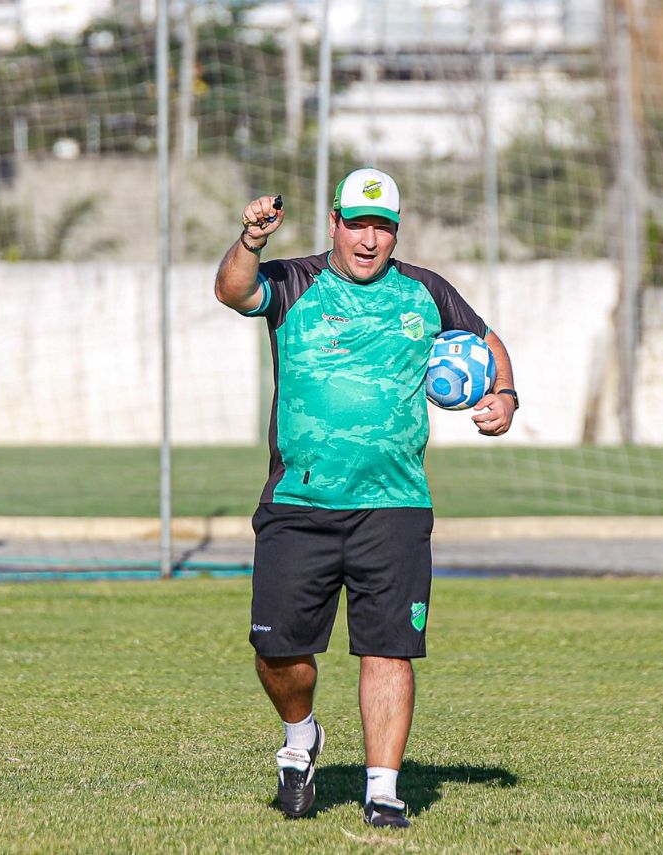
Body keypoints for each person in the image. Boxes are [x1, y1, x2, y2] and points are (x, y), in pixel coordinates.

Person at [214, 167, 518, 824]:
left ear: (395, 232)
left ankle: (383, 791)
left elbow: (487, 343)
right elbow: (232, 291)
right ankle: (301, 738)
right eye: (358, 223)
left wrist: (505, 395)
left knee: (389, 648)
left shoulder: (426, 292)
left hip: (395, 503)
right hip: (299, 502)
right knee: (278, 650)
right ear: (335, 223)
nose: (369, 238)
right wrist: (250, 240)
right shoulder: (294, 282)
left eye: (382, 226)